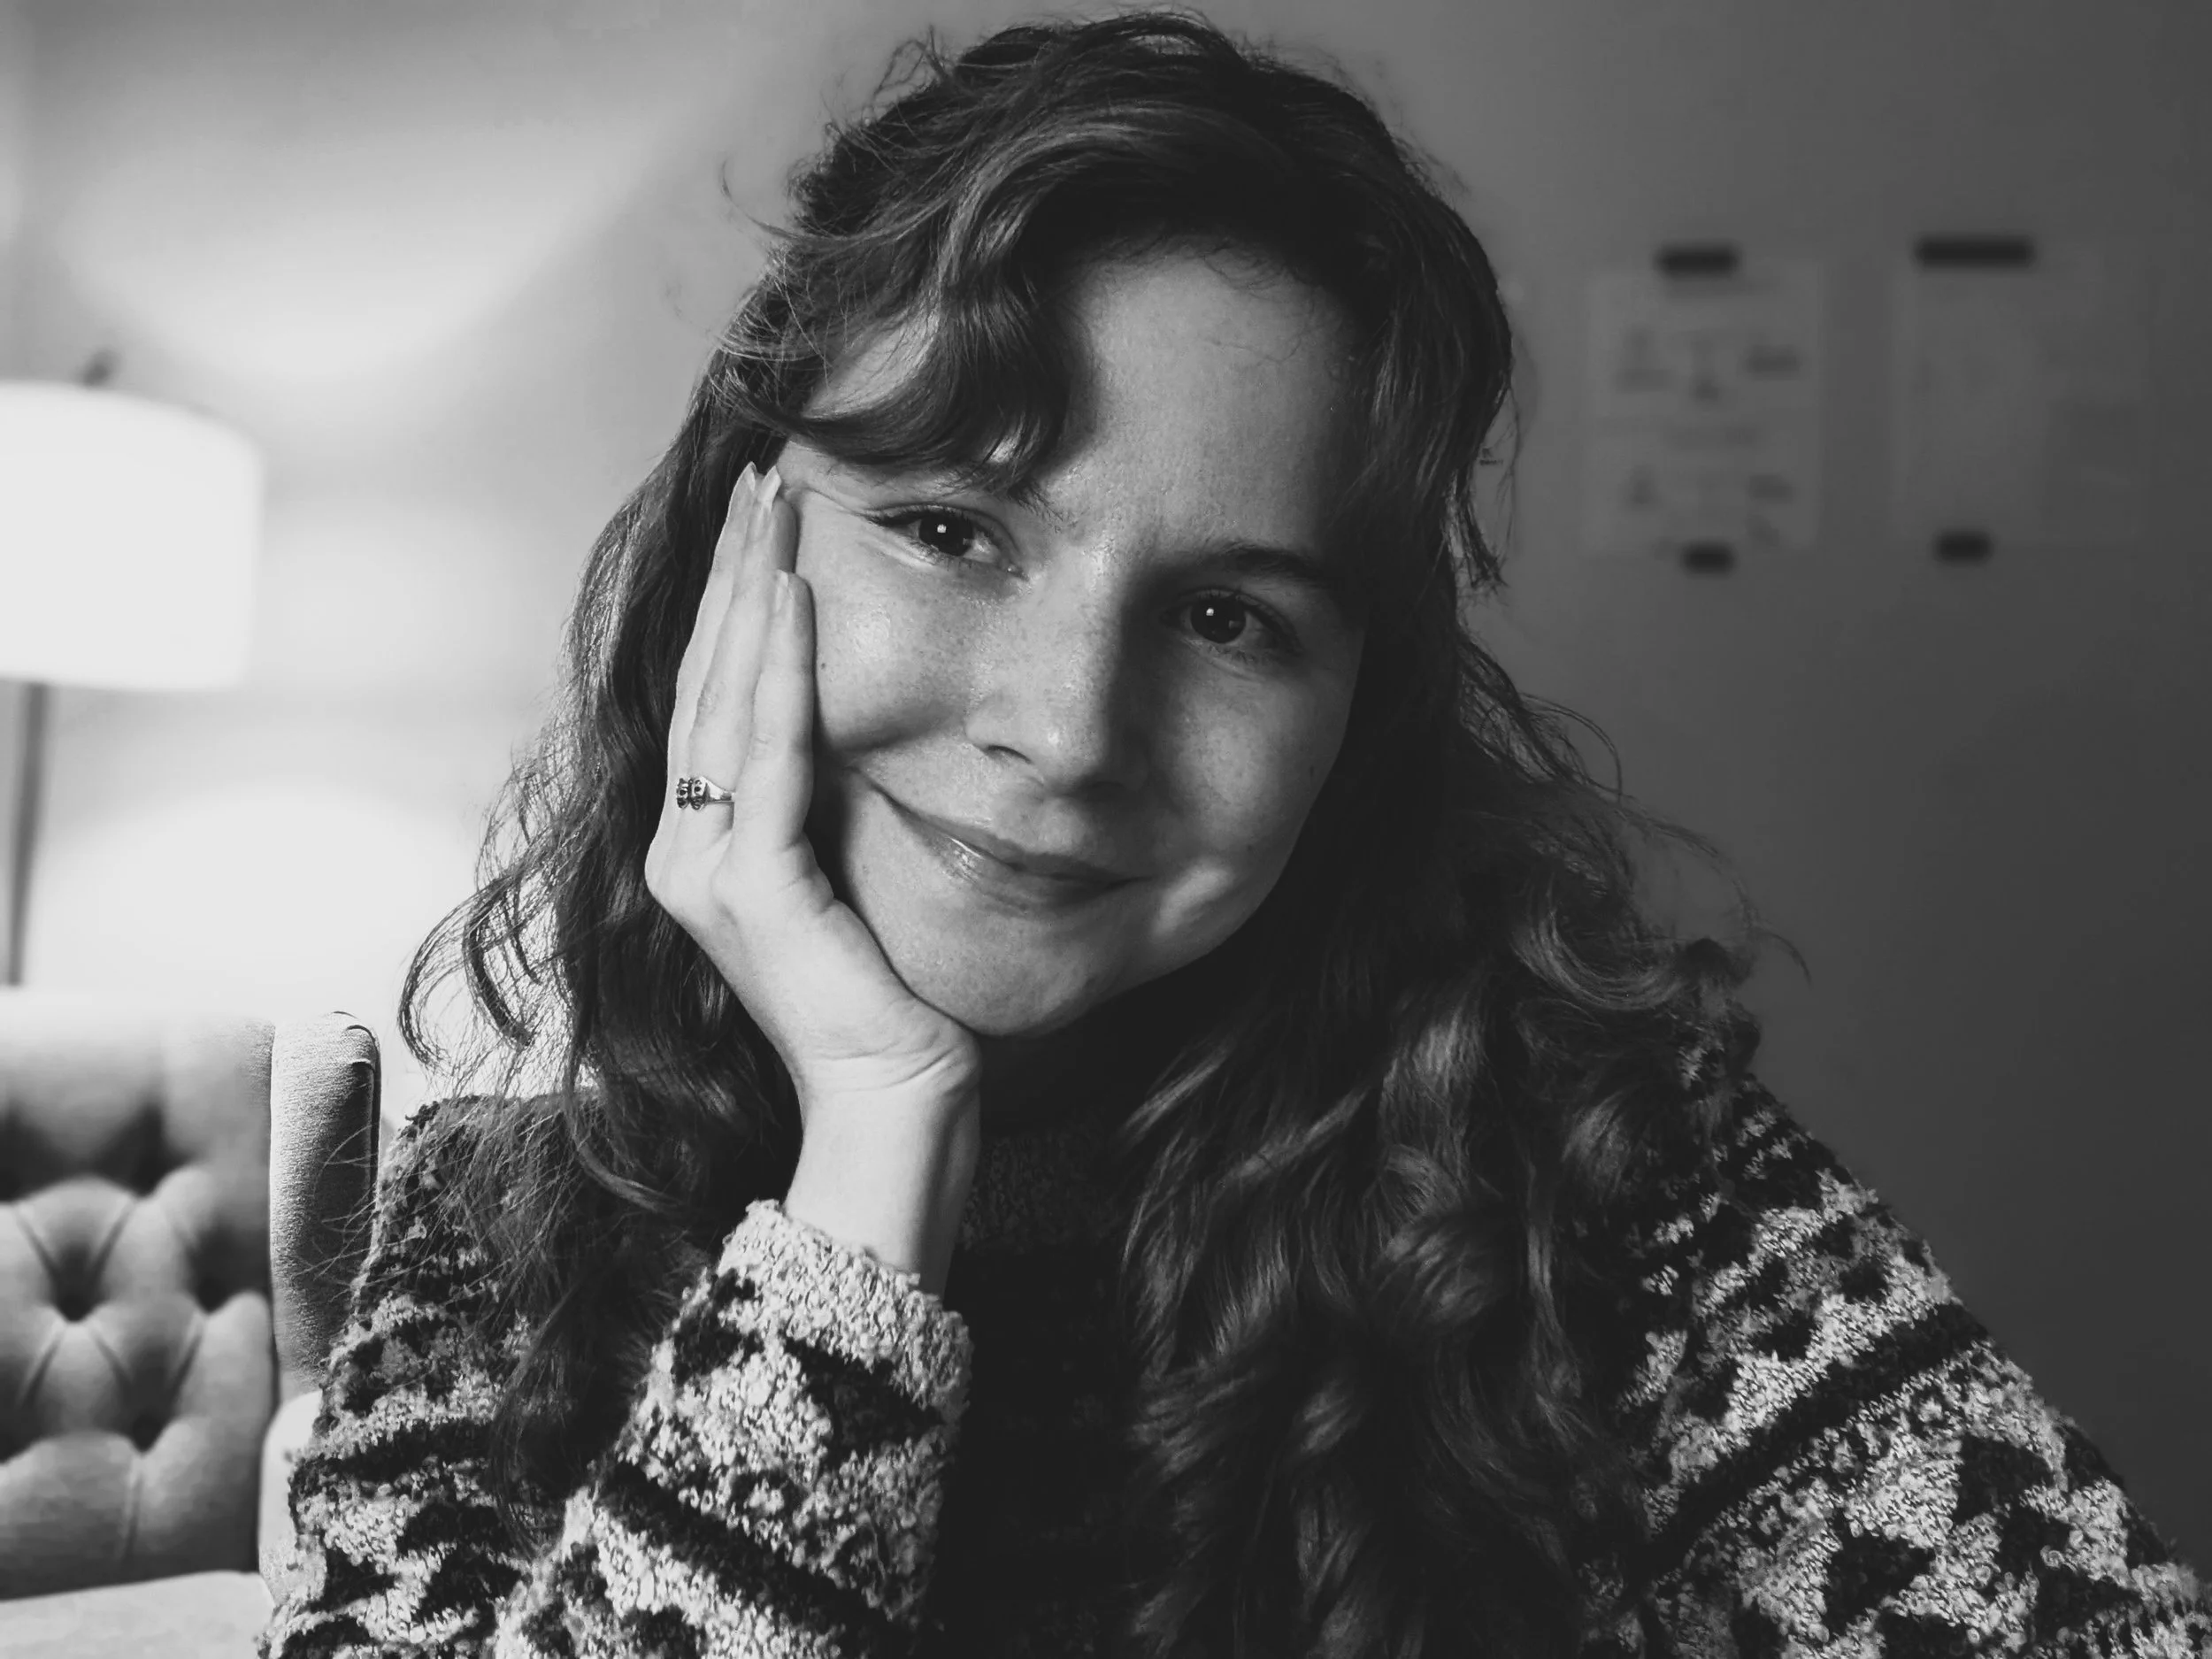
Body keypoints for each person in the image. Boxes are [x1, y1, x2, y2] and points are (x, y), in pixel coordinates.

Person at [260, 14, 2210, 1659]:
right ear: (738, 550)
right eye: (949, 529)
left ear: (1351, 711)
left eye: (1223, 618)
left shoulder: (1610, 1185)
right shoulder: (490, 1235)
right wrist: (872, 1156)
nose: (1064, 730)